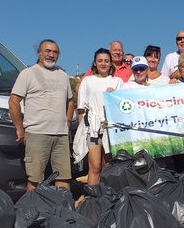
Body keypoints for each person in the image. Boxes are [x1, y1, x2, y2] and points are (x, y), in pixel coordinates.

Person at [9, 39, 74, 191]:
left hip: (61, 135)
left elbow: (70, 101)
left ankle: (64, 212)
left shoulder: (63, 75)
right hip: (36, 134)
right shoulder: (28, 73)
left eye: (55, 52)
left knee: (64, 178)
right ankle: (30, 213)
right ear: (39, 53)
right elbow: (13, 102)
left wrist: (67, 122)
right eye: (47, 51)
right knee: (35, 179)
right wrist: (19, 128)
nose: (51, 55)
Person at [75, 48, 124, 187]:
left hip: (111, 128)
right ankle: (93, 199)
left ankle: (108, 197)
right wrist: (83, 131)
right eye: (100, 61)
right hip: (93, 128)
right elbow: (81, 108)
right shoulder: (87, 81)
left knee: (110, 166)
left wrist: (114, 95)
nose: (103, 64)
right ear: (95, 63)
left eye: (106, 61)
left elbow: (123, 105)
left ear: (111, 63)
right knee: (95, 166)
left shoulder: (118, 81)